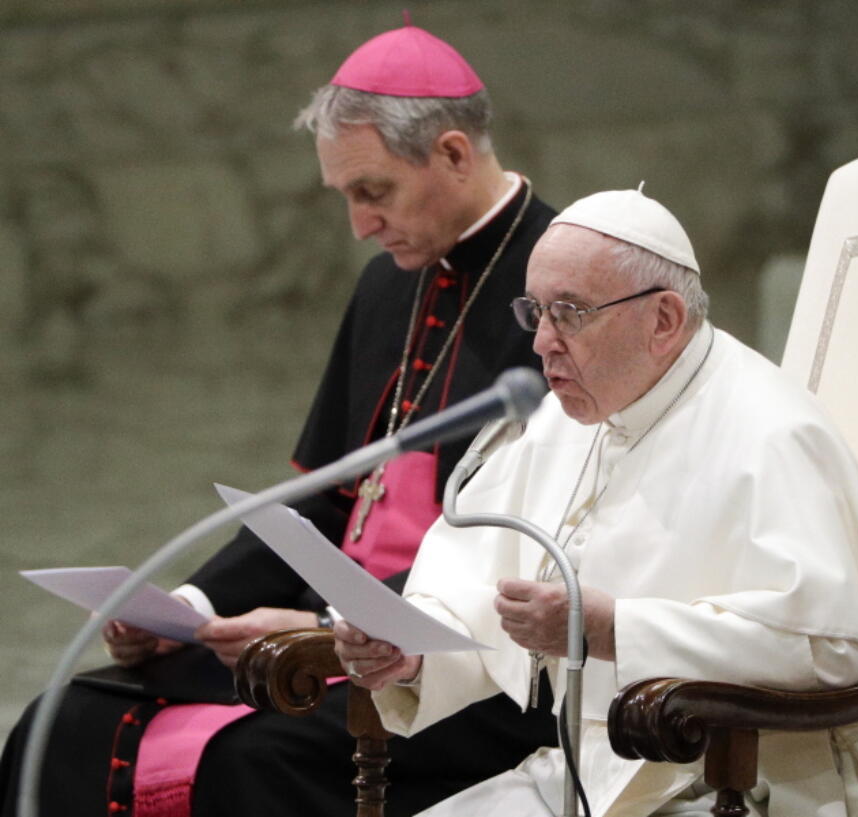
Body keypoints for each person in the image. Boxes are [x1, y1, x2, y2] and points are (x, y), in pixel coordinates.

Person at [0, 20, 559, 817]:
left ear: (454, 154)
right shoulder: (384, 288)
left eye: (374, 192)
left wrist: (322, 626)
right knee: (62, 721)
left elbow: (532, 544)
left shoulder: (561, 292)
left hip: (455, 665)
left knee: (248, 762)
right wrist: (188, 611)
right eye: (347, 197)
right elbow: (323, 497)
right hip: (323, 634)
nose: (360, 225)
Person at [336, 188, 858, 816]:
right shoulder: (566, 417)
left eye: (568, 312)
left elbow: (834, 646)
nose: (541, 342)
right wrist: (410, 651)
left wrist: (614, 629)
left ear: (665, 320)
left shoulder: (773, 431)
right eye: (535, 311)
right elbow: (479, 589)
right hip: (590, 771)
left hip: (758, 779)